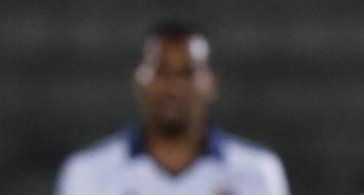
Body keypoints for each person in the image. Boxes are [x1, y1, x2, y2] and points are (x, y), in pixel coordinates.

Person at [54, 20, 290, 195]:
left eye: (188, 72)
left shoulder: (257, 171)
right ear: (138, 79)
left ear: (211, 82)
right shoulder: (89, 173)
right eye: (161, 71)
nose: (174, 86)